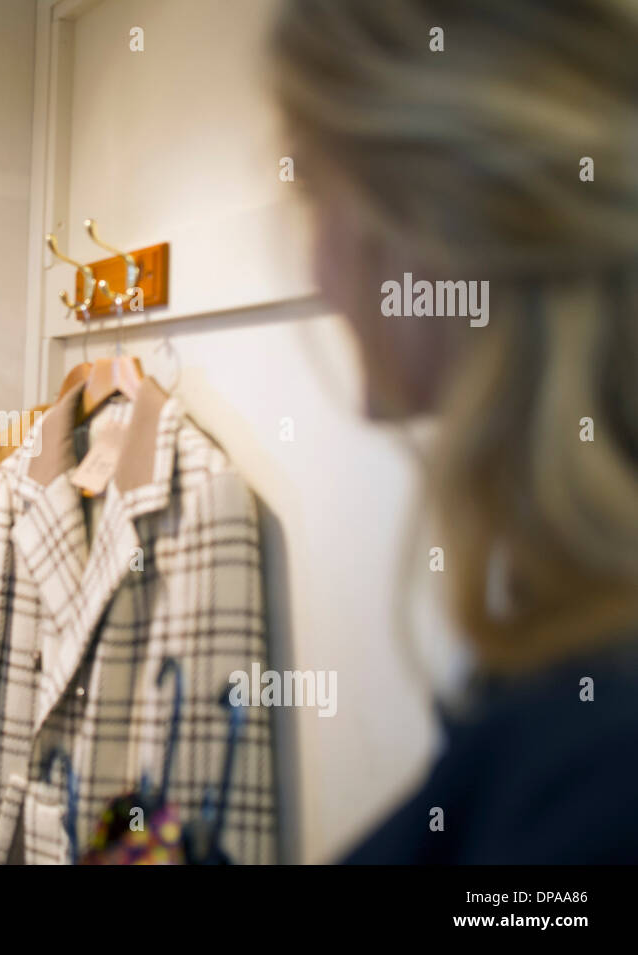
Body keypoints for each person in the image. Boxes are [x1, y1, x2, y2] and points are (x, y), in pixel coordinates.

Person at [271, 0, 638, 862]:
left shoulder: (602, 758)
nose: (319, 267)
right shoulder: (571, 659)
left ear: (428, 227)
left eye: (314, 192)